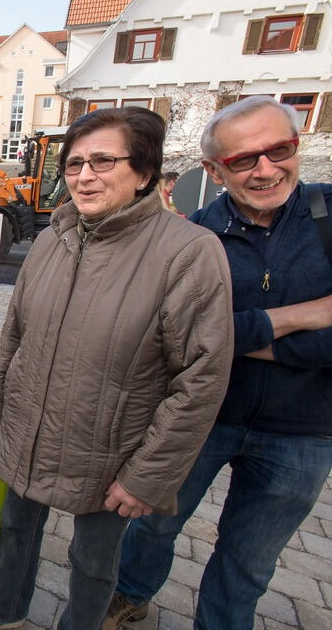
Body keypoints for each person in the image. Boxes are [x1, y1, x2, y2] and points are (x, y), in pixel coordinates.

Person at [0, 107, 234, 630]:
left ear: (144, 172)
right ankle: (7, 607)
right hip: (26, 428)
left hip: (112, 452)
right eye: (75, 163)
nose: (84, 176)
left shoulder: (188, 252)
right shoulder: (52, 236)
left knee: (92, 562)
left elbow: (200, 379)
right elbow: (15, 331)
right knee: (15, 528)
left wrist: (148, 477)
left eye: (103, 161)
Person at [106, 96, 332, 630]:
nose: (266, 169)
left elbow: (213, 336)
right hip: (201, 417)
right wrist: (305, 316)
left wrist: (233, 333)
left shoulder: (328, 219)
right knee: (154, 525)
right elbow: (178, 338)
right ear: (213, 169)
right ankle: (130, 595)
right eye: (243, 160)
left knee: (249, 559)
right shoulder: (192, 237)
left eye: (279, 150)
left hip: (304, 431)